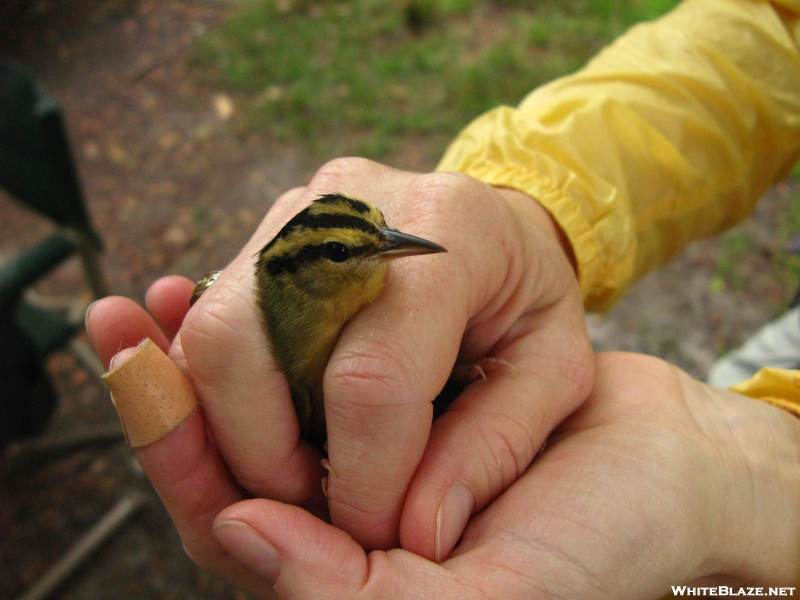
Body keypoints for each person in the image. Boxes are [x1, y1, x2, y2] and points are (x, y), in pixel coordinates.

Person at [86, 0, 800, 597]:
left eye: (379, 238)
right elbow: (767, 37)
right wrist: (535, 209)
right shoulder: (297, 306)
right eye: (348, 249)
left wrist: (754, 474)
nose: (391, 250)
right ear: (301, 275)